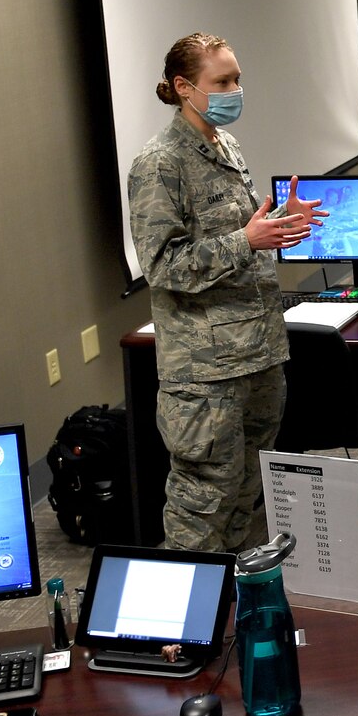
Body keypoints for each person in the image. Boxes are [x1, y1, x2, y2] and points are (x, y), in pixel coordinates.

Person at [128, 33, 327, 552]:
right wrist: (247, 239)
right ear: (183, 87)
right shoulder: (160, 164)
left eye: (236, 78)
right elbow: (163, 265)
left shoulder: (224, 143)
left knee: (246, 495)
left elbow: (237, 231)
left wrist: (280, 223)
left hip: (257, 353)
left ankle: (235, 612)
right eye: (223, 81)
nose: (236, 89)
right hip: (205, 374)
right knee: (202, 506)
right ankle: (186, 629)